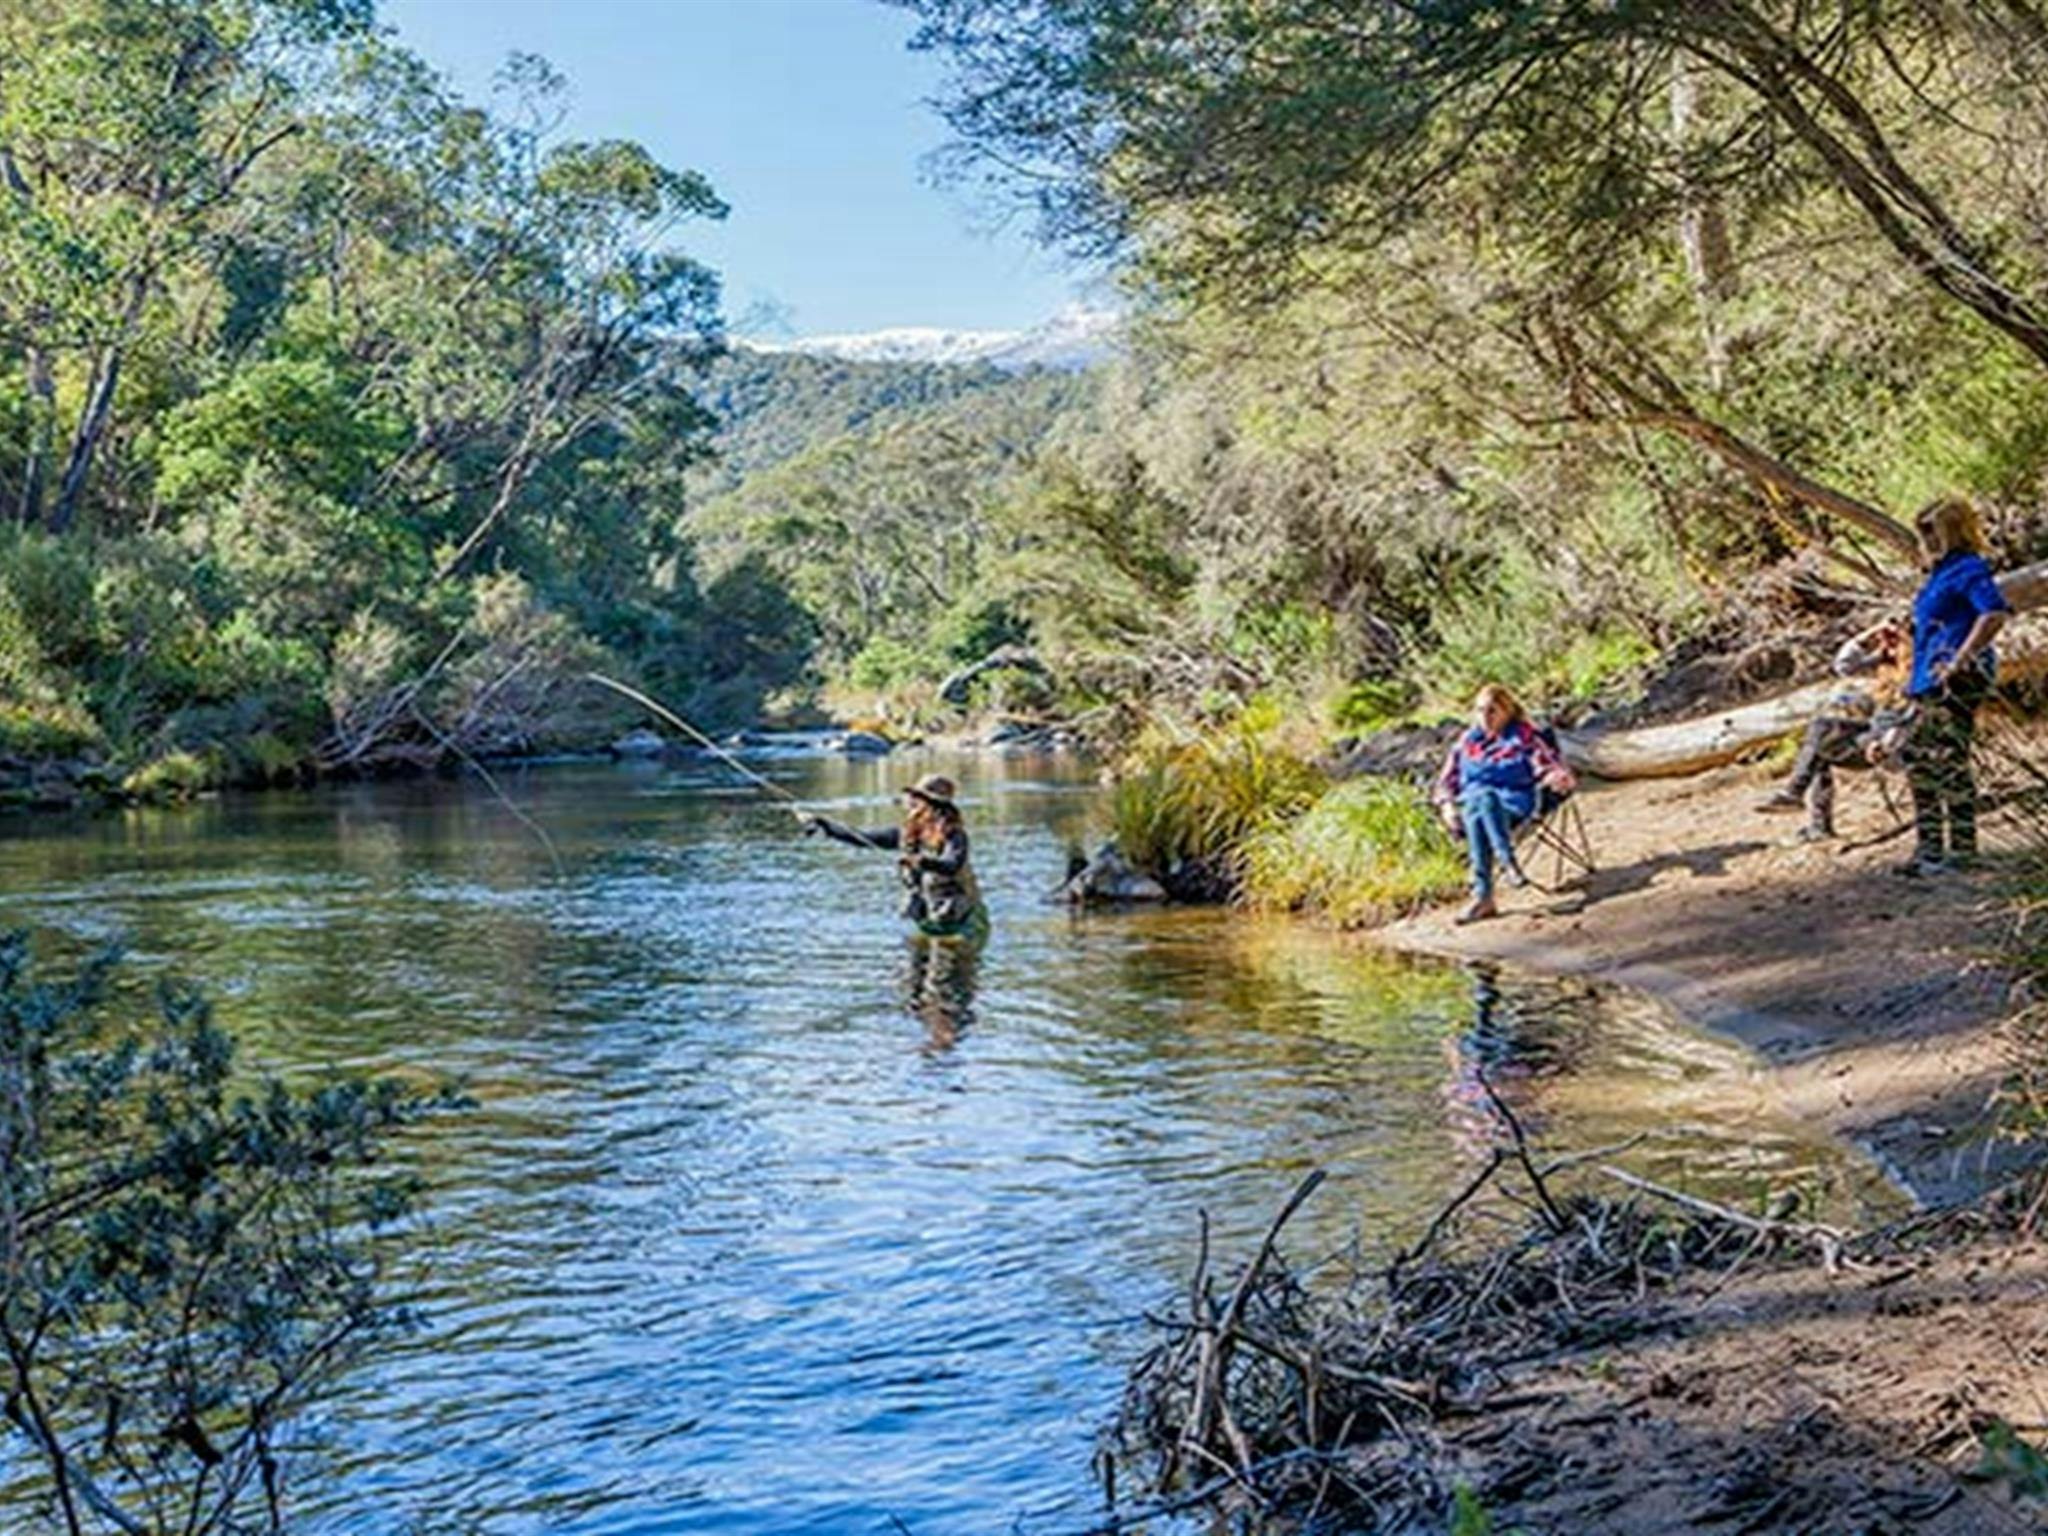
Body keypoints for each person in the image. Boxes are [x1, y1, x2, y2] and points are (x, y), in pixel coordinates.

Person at [1897, 497, 2010, 876]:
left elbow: (1993, 613)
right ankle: (1933, 850)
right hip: (1928, 678)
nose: (1927, 537)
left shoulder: (1968, 567)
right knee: (1919, 755)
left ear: (1953, 528)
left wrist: (1962, 658)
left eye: (1933, 529)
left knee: (1944, 758)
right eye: (1922, 530)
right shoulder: (1936, 574)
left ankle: (1958, 852)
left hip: (1956, 678)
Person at [1755, 616, 1913, 841]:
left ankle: (1798, 799)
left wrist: (1887, 744)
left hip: (1889, 743)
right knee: (1821, 730)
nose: (1886, 643)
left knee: (1820, 744)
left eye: (1893, 639)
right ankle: (1803, 806)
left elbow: (1914, 715)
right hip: (1873, 731)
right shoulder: (1886, 661)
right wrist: (1868, 635)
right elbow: (1843, 665)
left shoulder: (1917, 670)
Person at [1430, 684, 1577, 925]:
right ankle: (1507, 862)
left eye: (1492, 711)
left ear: (1507, 711)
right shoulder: (1466, 742)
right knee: (1479, 801)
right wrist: (1446, 805)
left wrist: (1556, 776)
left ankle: (1483, 897)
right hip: (1471, 808)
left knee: (1482, 799)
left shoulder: (1525, 738)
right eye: (1479, 711)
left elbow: (1546, 763)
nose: (1484, 718)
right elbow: (1446, 781)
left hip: (1513, 806)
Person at [801, 773, 989, 936]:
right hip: (927, 916)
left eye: (916, 798)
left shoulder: (955, 835)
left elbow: (952, 864)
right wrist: (825, 825)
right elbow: (861, 838)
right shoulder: (906, 834)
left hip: (962, 917)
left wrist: (922, 862)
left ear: (932, 805)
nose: (910, 803)